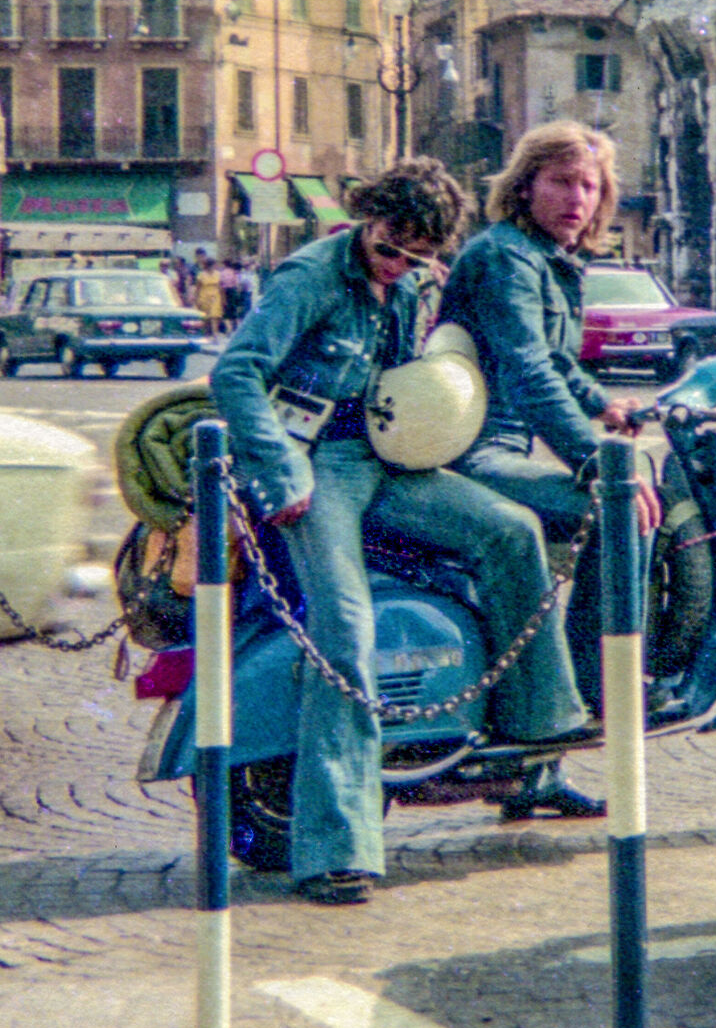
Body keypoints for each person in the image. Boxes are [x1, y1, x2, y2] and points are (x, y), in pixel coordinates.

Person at [209, 158, 588, 905]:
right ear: (367, 218)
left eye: (418, 254)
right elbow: (237, 373)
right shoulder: (309, 277)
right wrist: (283, 473)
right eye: (390, 244)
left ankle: (534, 734)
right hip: (319, 465)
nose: (398, 264)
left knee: (512, 530)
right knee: (345, 629)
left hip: (390, 456)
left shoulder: (412, 280)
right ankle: (333, 852)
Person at [441, 122, 666, 819]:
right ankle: (594, 685)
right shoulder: (507, 257)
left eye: (589, 185)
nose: (576, 197)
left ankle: (536, 774)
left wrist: (607, 406)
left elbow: (559, 361)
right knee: (617, 510)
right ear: (526, 184)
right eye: (561, 181)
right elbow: (529, 368)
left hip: (500, 445)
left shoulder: (544, 257)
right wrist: (599, 463)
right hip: (473, 452)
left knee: (619, 508)